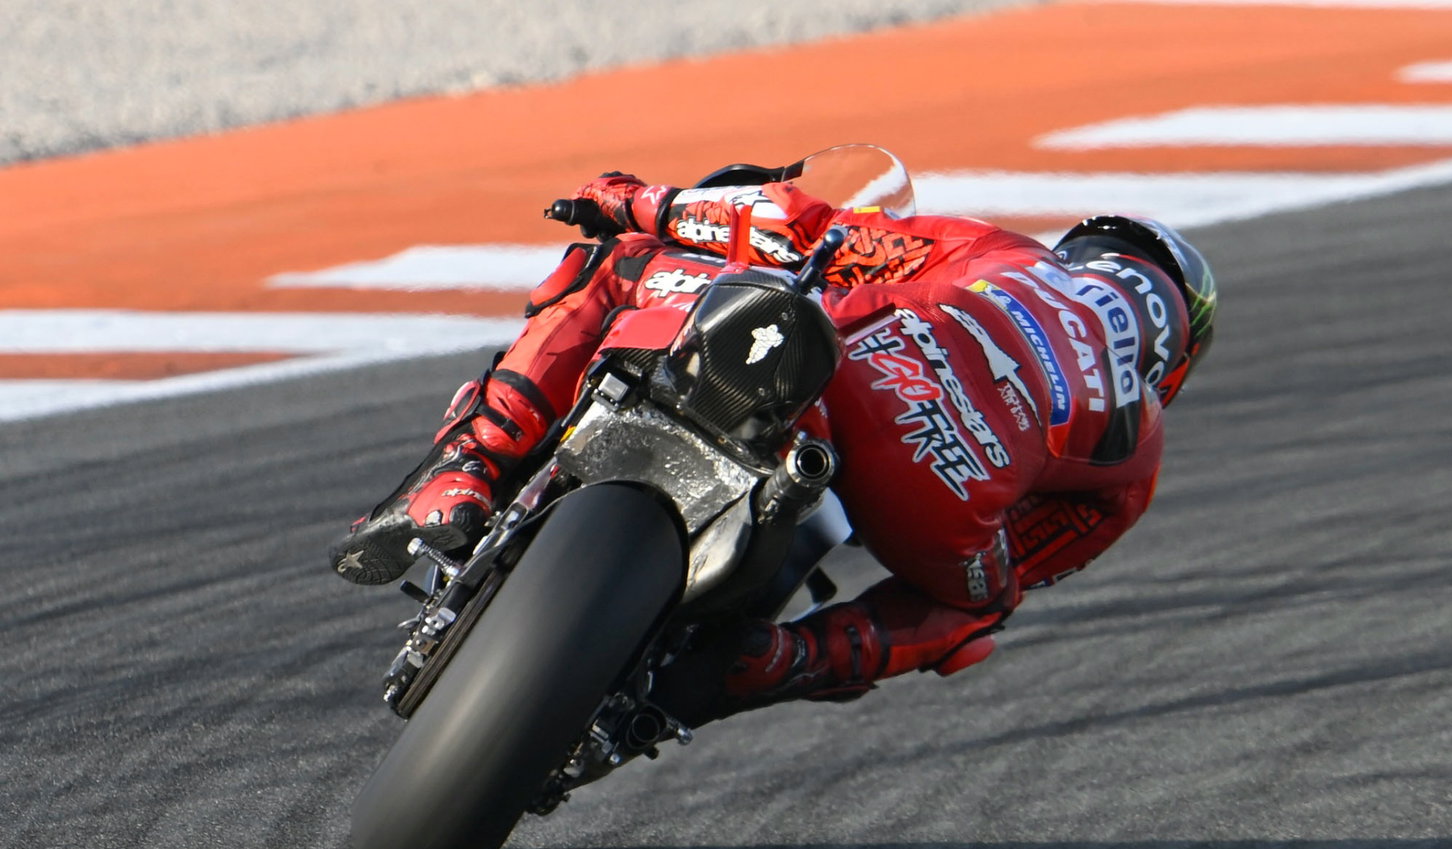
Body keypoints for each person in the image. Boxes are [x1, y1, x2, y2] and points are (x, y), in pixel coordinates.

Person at [331, 166, 1217, 726]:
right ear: (1171, 357)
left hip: (849, 388)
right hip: (942, 504)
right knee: (979, 607)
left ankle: (468, 468)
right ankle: (770, 663)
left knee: (625, 264)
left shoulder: (1011, 255)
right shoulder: (1139, 442)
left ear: (1087, 256)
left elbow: (811, 229)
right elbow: (1014, 576)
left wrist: (643, 201)